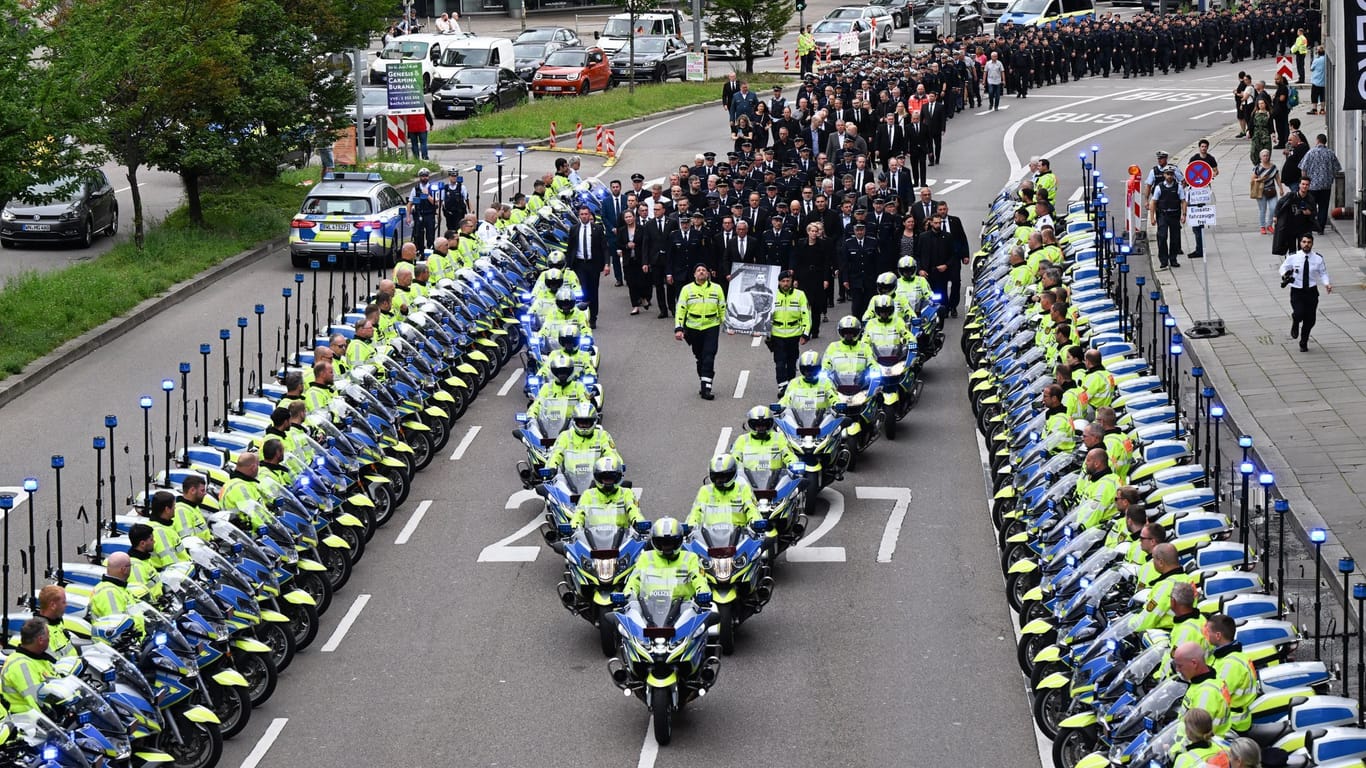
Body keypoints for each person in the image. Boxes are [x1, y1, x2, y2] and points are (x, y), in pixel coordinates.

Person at [675, 263, 727, 400]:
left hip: (711, 326)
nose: (701, 272)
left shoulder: (717, 288)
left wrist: (728, 324)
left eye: (704, 270)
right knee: (700, 357)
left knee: (709, 355)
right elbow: (681, 309)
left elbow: (722, 307)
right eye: (698, 270)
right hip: (693, 328)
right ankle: (704, 379)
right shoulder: (687, 289)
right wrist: (679, 328)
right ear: (694, 274)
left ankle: (706, 388)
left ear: (708, 274)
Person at [624, 517, 708, 601]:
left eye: (671, 542)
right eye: (662, 542)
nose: (667, 547)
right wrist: (628, 595)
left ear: (679, 541)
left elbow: (699, 580)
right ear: (654, 542)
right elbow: (634, 581)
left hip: (684, 609)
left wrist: (702, 594)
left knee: (712, 613)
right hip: (648, 608)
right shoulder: (645, 557)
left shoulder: (690, 558)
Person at [1205, 612, 1259, 733]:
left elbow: (1216, 697)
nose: (1205, 635)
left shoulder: (1231, 665)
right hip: (1227, 719)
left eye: (1208, 632)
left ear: (1218, 635)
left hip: (1230, 724)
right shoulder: (1221, 655)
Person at [1279, 232, 1332, 352]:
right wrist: (1285, 275)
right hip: (1297, 291)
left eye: (1309, 242)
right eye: (1304, 242)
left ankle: (1304, 341)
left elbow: (1323, 272)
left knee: (1310, 320)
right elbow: (1283, 267)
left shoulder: (1318, 258)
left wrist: (1327, 283)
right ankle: (1295, 321)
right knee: (1299, 313)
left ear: (1312, 243)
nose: (1306, 244)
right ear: (1300, 243)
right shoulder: (1293, 256)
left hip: (1311, 292)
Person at [686, 454, 763, 531]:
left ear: (732, 474)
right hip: (709, 538)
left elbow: (752, 510)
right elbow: (695, 513)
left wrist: (755, 522)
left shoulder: (743, 489)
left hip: (739, 537)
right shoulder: (705, 491)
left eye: (723, 476)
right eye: (716, 477)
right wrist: (691, 525)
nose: (719, 480)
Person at [1174, 641, 1232, 740]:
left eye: (1180, 666)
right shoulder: (1202, 682)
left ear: (1194, 663)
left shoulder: (1206, 694)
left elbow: (1196, 734)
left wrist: (1173, 750)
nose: (1177, 669)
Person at [566, 456, 642, 530]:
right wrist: (574, 526)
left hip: (622, 538)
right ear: (598, 477)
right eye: (605, 477)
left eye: (611, 477)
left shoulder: (626, 493)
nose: (608, 480)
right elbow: (579, 514)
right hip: (591, 539)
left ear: (618, 477)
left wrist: (638, 522)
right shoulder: (588, 494)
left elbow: (634, 510)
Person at [545, 401, 620, 476]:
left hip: (596, 477)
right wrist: (551, 468)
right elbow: (556, 454)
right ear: (575, 421)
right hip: (568, 478)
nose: (584, 425)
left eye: (587, 422)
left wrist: (616, 464)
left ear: (593, 421)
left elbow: (612, 453)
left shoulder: (603, 435)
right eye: (581, 422)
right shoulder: (565, 436)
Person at [768, 270, 811, 394]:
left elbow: (806, 315)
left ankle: (790, 385)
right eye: (783, 281)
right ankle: (782, 387)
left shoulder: (800, 295)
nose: (785, 283)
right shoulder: (772, 294)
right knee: (780, 363)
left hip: (794, 335)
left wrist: (805, 334)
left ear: (792, 282)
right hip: (777, 334)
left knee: (791, 363)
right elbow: (765, 314)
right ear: (779, 282)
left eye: (788, 281)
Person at [567, 205, 609, 330]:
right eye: (582, 214)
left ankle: (593, 318)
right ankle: (582, 316)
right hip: (579, 264)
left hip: (593, 264)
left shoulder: (597, 229)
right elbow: (570, 249)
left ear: (589, 215)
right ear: (579, 216)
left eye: (586, 214)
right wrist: (568, 266)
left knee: (593, 291)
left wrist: (607, 263)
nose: (584, 216)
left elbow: (604, 248)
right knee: (582, 290)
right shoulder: (574, 229)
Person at [1, 618, 55, 714]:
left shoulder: (38, 658)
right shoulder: (21, 666)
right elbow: (37, 701)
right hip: (27, 722)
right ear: (40, 640)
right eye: (48, 636)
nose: (49, 639)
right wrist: (56, 715)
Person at [88, 552, 145, 636]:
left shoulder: (117, 587)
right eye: (130, 566)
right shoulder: (109, 593)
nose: (131, 569)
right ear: (124, 569)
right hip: (127, 645)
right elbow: (117, 627)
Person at [527, 352, 592, 422]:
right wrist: (531, 416)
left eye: (565, 372)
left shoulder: (579, 386)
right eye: (559, 372)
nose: (562, 375)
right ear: (554, 372)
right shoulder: (547, 387)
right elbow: (537, 404)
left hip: (572, 423)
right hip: (548, 424)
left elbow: (585, 403)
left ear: (570, 371)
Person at [1298, 133, 1342, 234]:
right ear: (1325, 141)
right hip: (1325, 185)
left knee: (1311, 206)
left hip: (1312, 185)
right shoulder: (1330, 153)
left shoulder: (1310, 152)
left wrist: (1304, 181)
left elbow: (1303, 168)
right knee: (1323, 206)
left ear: (1317, 141)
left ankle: (1310, 225)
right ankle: (1320, 227)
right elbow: (1337, 169)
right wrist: (1330, 177)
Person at [1149, 167, 1188, 270]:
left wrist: (1184, 215)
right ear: (1164, 175)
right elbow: (1153, 202)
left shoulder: (1178, 187)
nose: (1169, 176)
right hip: (1163, 215)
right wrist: (1152, 217)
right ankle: (1163, 260)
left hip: (1174, 215)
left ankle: (1173, 259)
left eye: (1171, 174)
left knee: (1175, 238)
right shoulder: (1159, 187)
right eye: (1167, 174)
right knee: (1162, 236)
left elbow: (1183, 201)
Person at [1187, 140, 1219, 259]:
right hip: (1194, 190)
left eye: (1205, 147)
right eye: (1202, 146)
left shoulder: (1210, 159)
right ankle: (1199, 247)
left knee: (1198, 223)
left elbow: (1216, 171)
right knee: (1196, 220)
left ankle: (1199, 248)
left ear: (1207, 148)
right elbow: (1189, 172)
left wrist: (1210, 175)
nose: (1203, 148)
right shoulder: (1194, 158)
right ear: (1199, 148)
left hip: (1204, 190)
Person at [1272, 179, 1317, 257]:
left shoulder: (1310, 199)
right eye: (1303, 184)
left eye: (1307, 185)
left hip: (1303, 228)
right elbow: (1280, 203)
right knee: (1292, 250)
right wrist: (1275, 216)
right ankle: (1291, 265)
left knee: (1302, 250)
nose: (1304, 186)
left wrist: (1309, 213)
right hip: (1290, 227)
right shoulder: (1291, 195)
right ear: (1299, 185)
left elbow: (1315, 212)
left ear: (1309, 186)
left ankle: (1301, 265)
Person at [146, 490, 187, 569]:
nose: (175, 508)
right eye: (174, 506)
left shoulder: (163, 526)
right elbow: (171, 563)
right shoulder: (160, 532)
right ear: (167, 509)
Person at [35, 586, 74, 658]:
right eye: (63, 602)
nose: (66, 605)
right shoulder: (41, 633)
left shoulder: (57, 621)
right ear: (53, 605)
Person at [407, 168, 439, 252]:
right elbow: (410, 203)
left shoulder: (433, 188)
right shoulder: (416, 189)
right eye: (422, 176)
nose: (424, 178)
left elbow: (436, 203)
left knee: (430, 234)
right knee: (418, 235)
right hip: (419, 214)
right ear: (419, 177)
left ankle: (430, 249)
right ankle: (420, 251)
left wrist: (427, 195)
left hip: (429, 214)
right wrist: (408, 217)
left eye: (426, 176)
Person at [175, 473, 212, 543]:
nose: (205, 493)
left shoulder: (193, 507)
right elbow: (188, 540)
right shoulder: (181, 511)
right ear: (192, 490)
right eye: (202, 490)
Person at [1252, 149, 1282, 236]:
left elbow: (1277, 178)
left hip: (1271, 190)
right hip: (1261, 191)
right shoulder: (1258, 168)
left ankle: (1269, 225)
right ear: (1260, 157)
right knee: (1263, 209)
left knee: (1274, 208)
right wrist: (1260, 179)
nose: (1266, 157)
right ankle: (1262, 226)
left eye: (1267, 155)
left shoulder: (1273, 167)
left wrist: (1281, 188)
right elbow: (1253, 179)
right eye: (1264, 156)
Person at [1309, 47, 1326, 115]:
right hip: (1324, 81)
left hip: (1316, 81)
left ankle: (1314, 109)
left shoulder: (1316, 60)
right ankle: (1322, 109)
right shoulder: (1326, 59)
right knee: (1323, 96)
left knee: (1314, 95)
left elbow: (1311, 68)